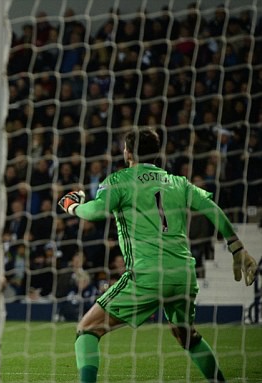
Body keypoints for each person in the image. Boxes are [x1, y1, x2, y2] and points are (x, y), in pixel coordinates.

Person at [58, 127, 257, 383]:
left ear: (127, 152)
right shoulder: (178, 182)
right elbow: (211, 208)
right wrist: (237, 247)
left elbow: (95, 212)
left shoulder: (119, 181)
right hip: (184, 275)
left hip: (147, 275)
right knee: (187, 336)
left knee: (86, 329)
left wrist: (72, 205)